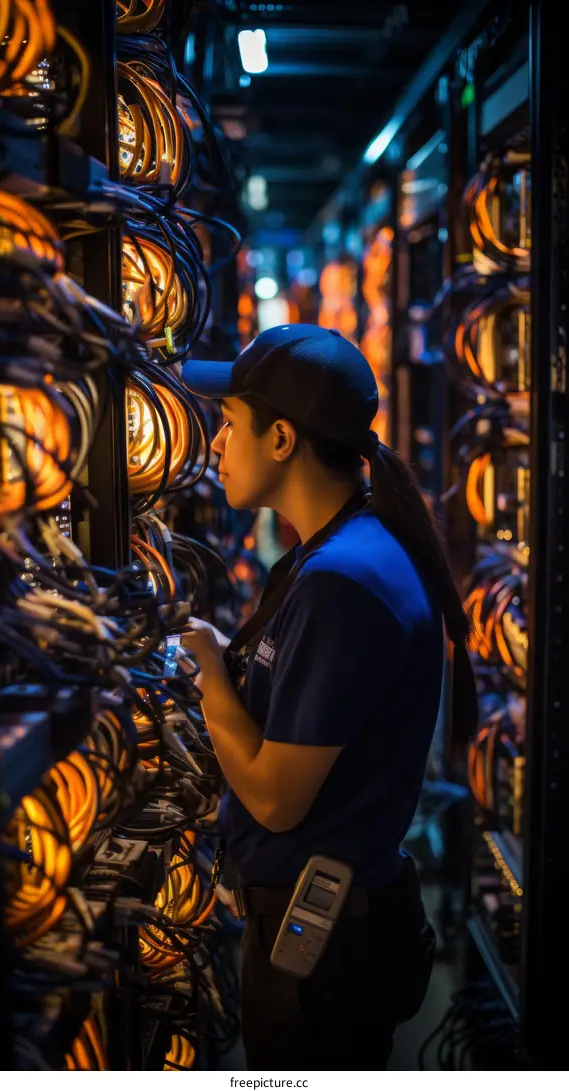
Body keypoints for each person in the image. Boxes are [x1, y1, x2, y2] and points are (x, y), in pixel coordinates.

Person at [179, 324, 477, 1071]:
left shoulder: (343, 582)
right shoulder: (345, 550)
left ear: (281, 438)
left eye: (229, 424)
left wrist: (211, 667)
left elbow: (278, 799)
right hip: (331, 932)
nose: (215, 444)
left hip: (320, 951)